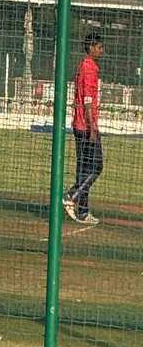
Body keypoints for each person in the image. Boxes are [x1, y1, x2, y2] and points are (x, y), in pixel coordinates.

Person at [63, 33, 104, 225]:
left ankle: (83, 211)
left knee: (85, 168)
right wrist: (92, 127)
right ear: (91, 48)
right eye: (99, 46)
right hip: (86, 126)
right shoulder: (89, 68)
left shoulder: (86, 66)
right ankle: (72, 195)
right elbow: (88, 100)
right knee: (96, 166)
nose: (101, 50)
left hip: (80, 125)